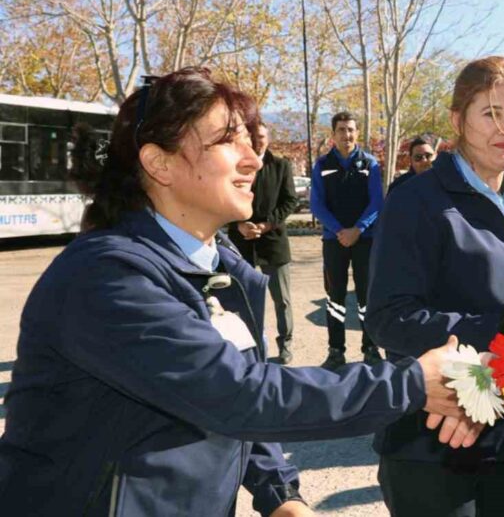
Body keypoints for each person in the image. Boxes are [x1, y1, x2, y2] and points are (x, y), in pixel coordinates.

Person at [0, 67, 467, 517]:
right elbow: (237, 394)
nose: (254, 159)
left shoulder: (219, 269)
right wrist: (410, 383)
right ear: (158, 163)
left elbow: (238, 393)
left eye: (250, 140)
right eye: (228, 140)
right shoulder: (107, 276)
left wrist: (279, 492)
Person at [367, 56, 504, 517]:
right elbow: (389, 320)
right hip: (435, 444)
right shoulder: (417, 203)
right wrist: (503, 331)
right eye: (490, 113)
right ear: (458, 121)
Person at [311, 111, 384, 369]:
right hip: (334, 242)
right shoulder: (322, 164)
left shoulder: (370, 164)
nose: (347, 134)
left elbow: (377, 202)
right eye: (341, 130)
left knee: (367, 297)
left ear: (357, 132)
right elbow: (317, 204)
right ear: (333, 134)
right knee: (335, 297)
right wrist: (340, 231)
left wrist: (358, 229)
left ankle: (371, 348)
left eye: (351, 129)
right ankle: (335, 351)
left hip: (365, 241)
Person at [228, 120, 299, 364]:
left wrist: (267, 224)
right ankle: (253, 347)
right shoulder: (236, 166)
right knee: (244, 299)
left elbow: (290, 202)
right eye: (253, 137)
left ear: (268, 139)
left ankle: (285, 345)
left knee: (282, 300)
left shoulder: (281, 166)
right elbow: (226, 199)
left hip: (274, 243)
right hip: (243, 242)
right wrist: (238, 224)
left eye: (262, 137)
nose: (258, 141)